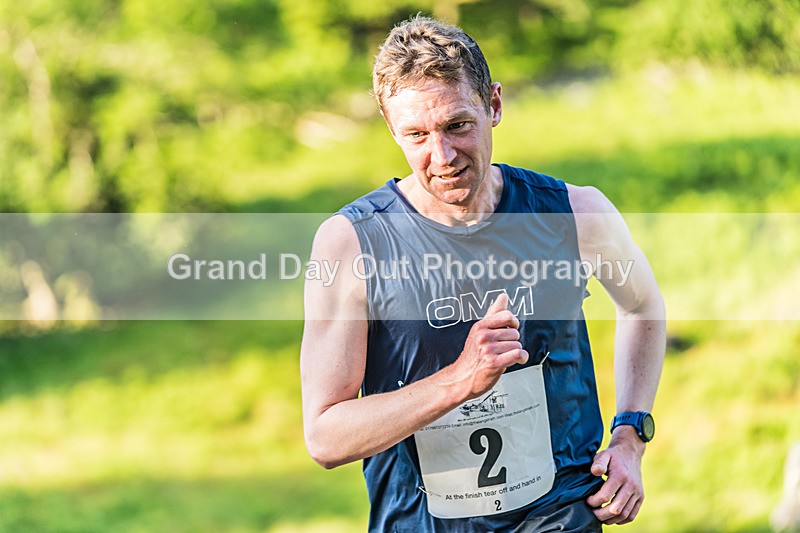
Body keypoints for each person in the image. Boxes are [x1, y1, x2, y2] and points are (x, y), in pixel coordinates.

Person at [300, 15, 665, 532]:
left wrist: (629, 435)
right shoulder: (352, 243)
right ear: (390, 127)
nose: (442, 156)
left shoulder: (574, 214)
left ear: (493, 104)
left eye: (457, 126)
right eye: (416, 135)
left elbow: (643, 305)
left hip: (559, 514)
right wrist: (458, 381)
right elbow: (325, 436)